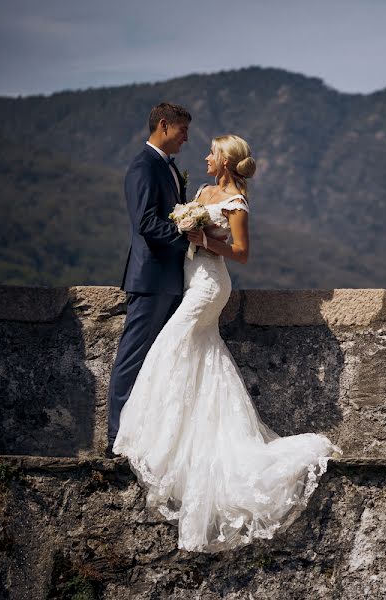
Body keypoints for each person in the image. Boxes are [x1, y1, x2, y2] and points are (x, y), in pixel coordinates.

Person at [112, 133, 340, 553]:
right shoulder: (201, 191)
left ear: (226, 161)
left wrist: (201, 239)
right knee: (201, 359)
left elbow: (240, 253)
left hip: (209, 286)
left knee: (171, 348)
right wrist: (186, 224)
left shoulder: (237, 203)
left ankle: (149, 437)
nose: (205, 156)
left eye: (212, 153)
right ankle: (178, 435)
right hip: (189, 280)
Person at [107, 102, 192, 455]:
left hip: (169, 279)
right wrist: (188, 237)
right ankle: (115, 439)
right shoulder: (143, 166)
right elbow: (145, 223)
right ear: (164, 126)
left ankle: (148, 436)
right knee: (133, 358)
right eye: (183, 131)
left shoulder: (167, 167)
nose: (186, 139)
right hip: (151, 279)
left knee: (161, 361)